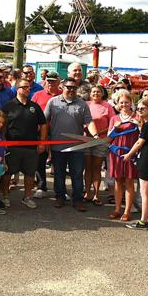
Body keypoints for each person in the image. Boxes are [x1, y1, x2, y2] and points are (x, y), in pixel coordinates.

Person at [44, 78, 100, 211]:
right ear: (62, 87)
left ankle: (78, 200)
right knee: (59, 174)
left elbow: (89, 121)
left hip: (77, 147)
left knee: (77, 173)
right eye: (68, 87)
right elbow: (44, 121)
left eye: (74, 88)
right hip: (57, 146)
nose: (71, 90)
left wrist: (96, 135)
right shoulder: (53, 102)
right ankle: (59, 197)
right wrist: (44, 139)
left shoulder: (82, 104)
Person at [2, 79, 47, 209]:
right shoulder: (8, 106)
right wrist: (2, 143)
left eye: (29, 87)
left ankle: (27, 197)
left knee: (29, 174)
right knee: (7, 173)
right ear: (17, 89)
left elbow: (43, 124)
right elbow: (1, 125)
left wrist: (42, 142)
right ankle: (5, 196)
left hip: (31, 147)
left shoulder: (35, 106)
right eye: (24, 87)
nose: (27, 89)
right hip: (12, 146)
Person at [122, 98, 148, 229]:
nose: (139, 111)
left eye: (142, 109)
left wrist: (129, 154)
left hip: (147, 160)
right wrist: (140, 125)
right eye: (138, 109)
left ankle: (143, 221)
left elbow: (140, 142)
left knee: (145, 193)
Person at [107, 90, 139, 222]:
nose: (124, 104)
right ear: (117, 104)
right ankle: (117, 209)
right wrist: (114, 128)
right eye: (121, 102)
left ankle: (127, 211)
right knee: (118, 181)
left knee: (129, 181)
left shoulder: (137, 116)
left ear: (131, 102)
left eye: (126, 102)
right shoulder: (114, 118)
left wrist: (139, 124)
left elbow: (143, 134)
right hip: (116, 153)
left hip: (131, 151)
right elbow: (109, 137)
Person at [84, 85, 115, 205]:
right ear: (90, 94)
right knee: (87, 168)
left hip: (101, 140)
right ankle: (87, 192)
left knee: (96, 168)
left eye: (98, 92)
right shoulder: (85, 104)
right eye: (93, 92)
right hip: (85, 139)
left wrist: (98, 133)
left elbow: (113, 123)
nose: (96, 94)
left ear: (102, 94)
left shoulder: (107, 106)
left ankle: (96, 194)